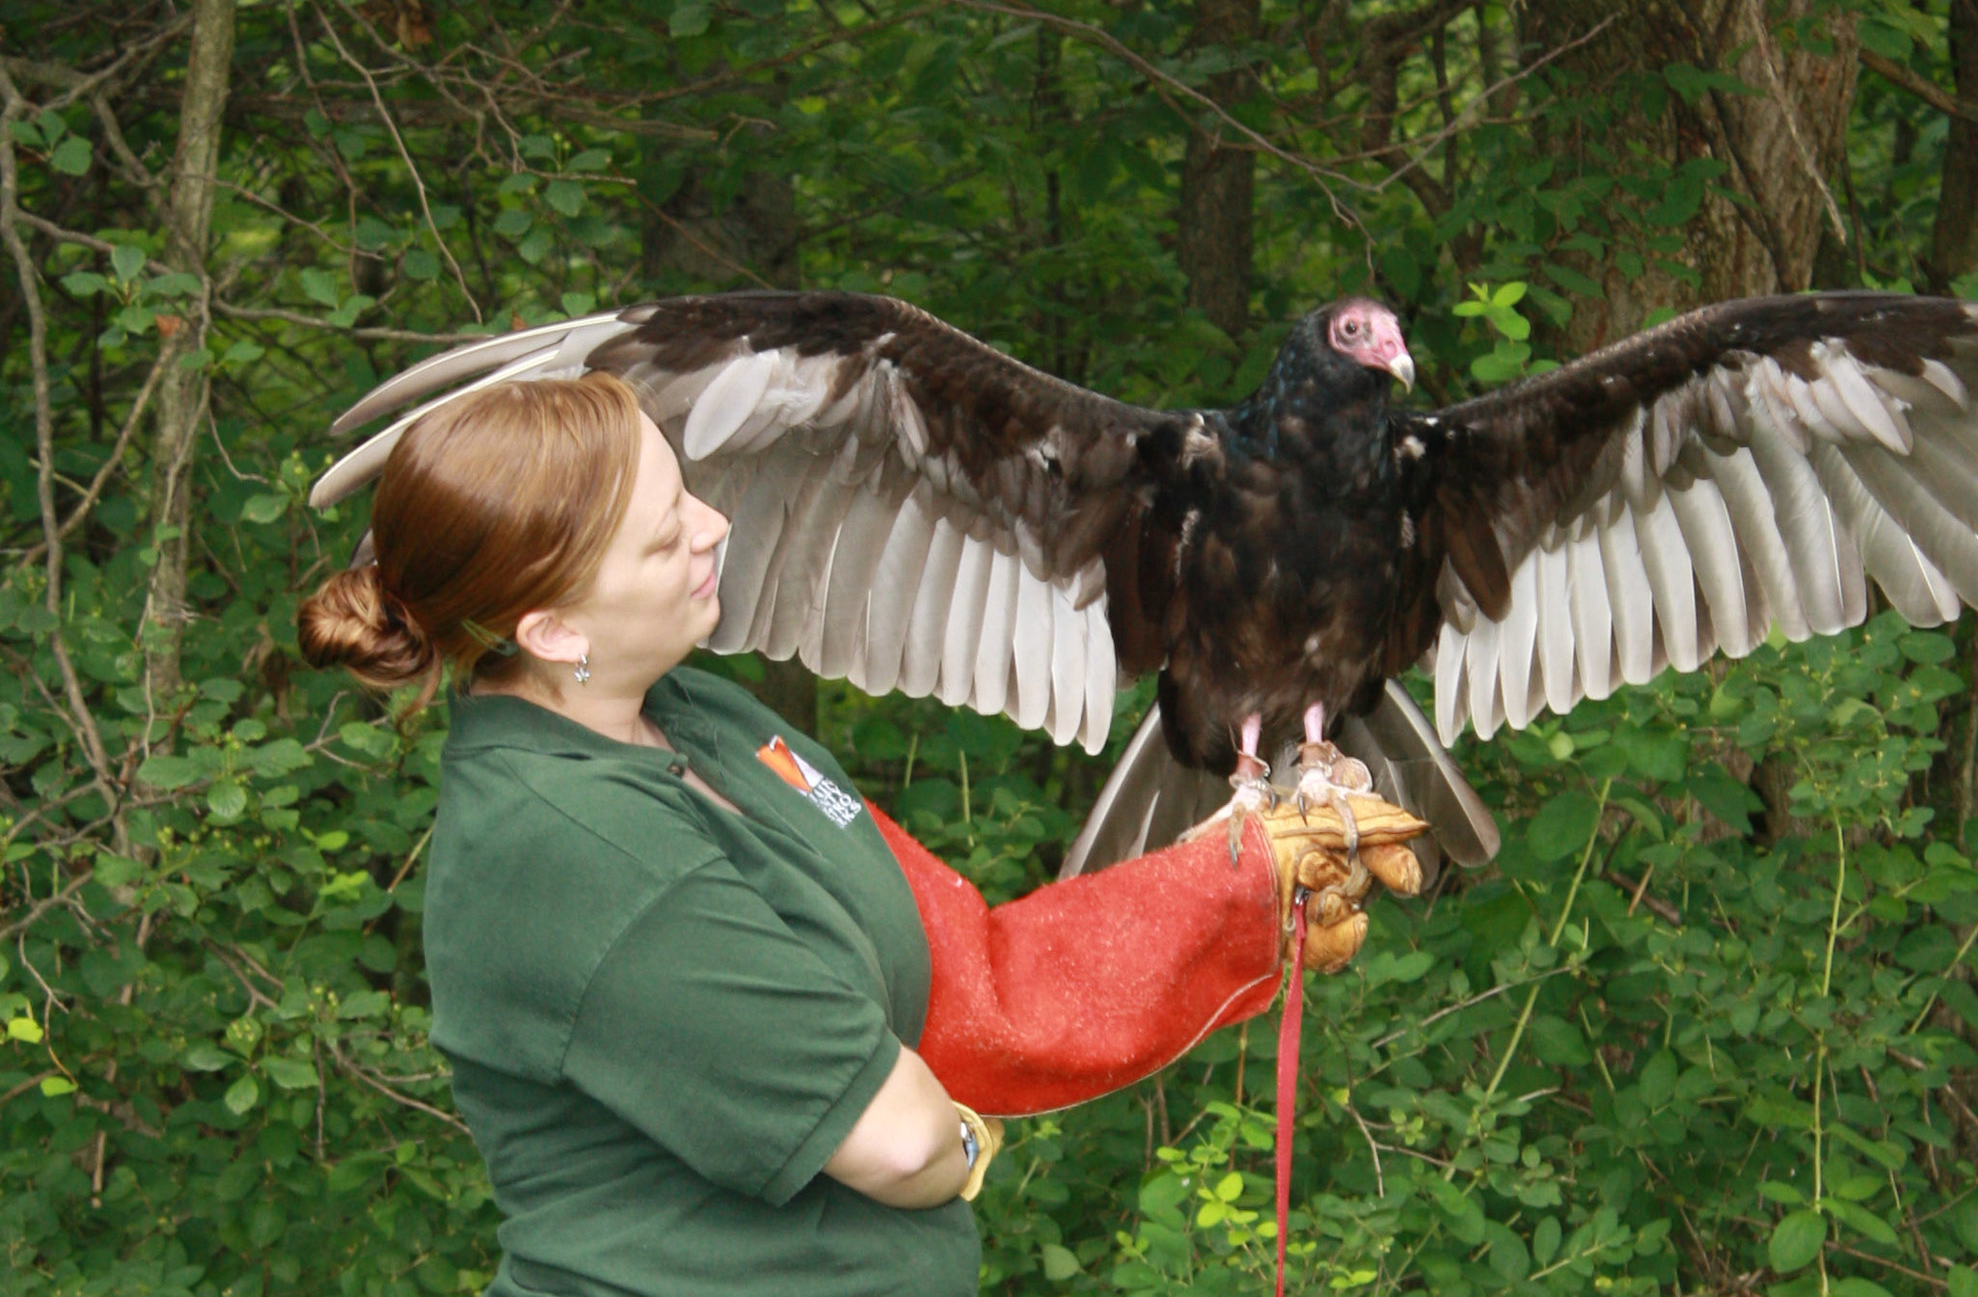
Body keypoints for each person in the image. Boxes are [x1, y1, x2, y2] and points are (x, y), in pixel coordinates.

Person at [296, 372, 1433, 1297]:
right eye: (661, 535)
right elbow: (897, 1142)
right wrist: (962, 1144)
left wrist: (1234, 884)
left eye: (686, 487)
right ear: (549, 626)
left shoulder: (695, 718)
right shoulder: (579, 848)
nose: (715, 524)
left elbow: (952, 959)